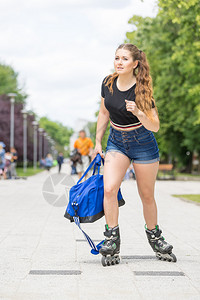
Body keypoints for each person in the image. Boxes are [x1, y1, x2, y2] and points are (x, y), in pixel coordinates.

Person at [93, 43, 176, 265]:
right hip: (116, 142)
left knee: (146, 195)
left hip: (143, 143)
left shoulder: (142, 89)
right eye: (116, 58)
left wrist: (139, 112)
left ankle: (156, 238)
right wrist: (97, 142)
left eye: (124, 59)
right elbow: (103, 112)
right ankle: (111, 239)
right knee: (109, 189)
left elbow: (155, 126)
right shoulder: (108, 83)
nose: (119, 62)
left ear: (135, 64)